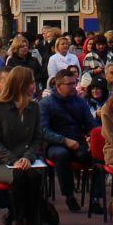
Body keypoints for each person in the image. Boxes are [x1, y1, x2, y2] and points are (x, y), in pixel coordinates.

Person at [0, 66, 57, 225]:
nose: (34, 85)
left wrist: (27, 157)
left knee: (33, 175)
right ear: (21, 84)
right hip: (0, 160)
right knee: (20, 176)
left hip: (28, 159)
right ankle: (19, 224)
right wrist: (14, 160)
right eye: (31, 82)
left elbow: (37, 138)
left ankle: (33, 224)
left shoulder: (34, 107)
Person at [40, 69, 95, 212]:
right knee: (62, 155)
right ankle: (69, 195)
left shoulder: (80, 102)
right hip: (55, 144)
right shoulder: (46, 104)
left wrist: (92, 137)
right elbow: (43, 131)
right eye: (69, 84)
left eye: (74, 83)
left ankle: (96, 198)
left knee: (96, 157)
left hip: (78, 142)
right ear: (58, 85)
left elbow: (91, 124)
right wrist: (64, 140)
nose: (73, 86)